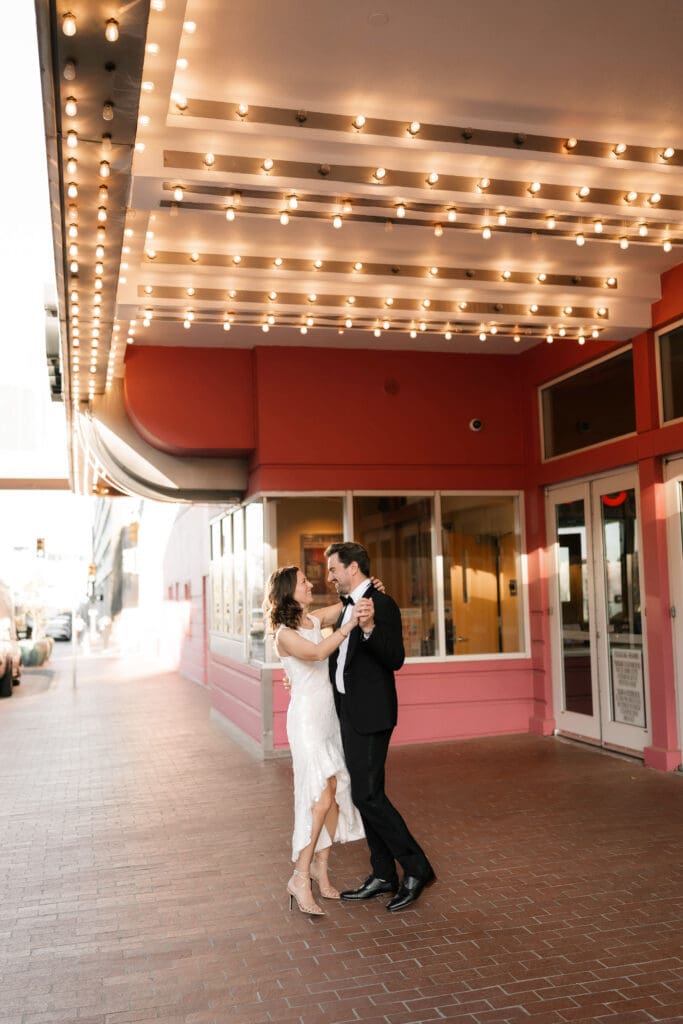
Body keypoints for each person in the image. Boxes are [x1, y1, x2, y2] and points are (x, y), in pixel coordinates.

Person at [325, 540, 435, 912]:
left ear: (352, 568)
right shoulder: (347, 606)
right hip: (349, 713)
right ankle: (383, 874)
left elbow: (396, 658)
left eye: (334, 569)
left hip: (371, 715)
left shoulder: (381, 604)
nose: (330, 576)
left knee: (367, 796)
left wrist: (370, 628)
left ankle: (417, 868)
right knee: (366, 793)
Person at [264, 565, 366, 916]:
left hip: (327, 718)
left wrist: (366, 588)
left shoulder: (312, 620)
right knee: (318, 799)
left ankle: (322, 870)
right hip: (306, 721)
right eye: (304, 582)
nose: (311, 584)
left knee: (334, 796)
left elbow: (345, 604)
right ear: (290, 591)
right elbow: (319, 653)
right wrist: (349, 627)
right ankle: (300, 876)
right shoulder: (284, 634)